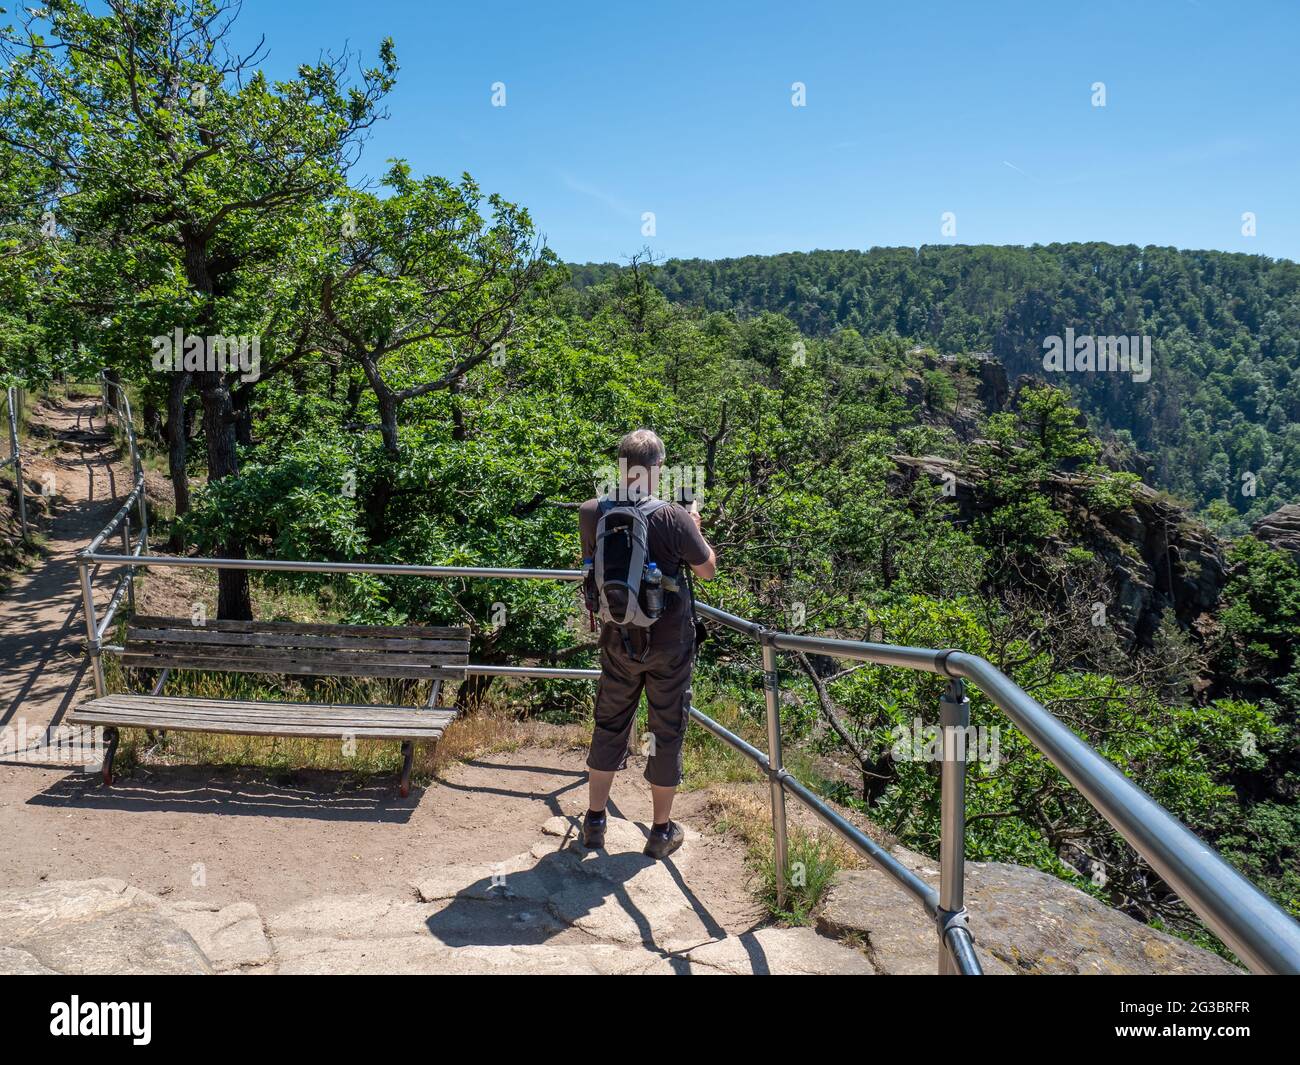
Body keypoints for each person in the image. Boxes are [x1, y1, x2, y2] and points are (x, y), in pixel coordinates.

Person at [578, 429, 716, 859]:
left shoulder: (591, 510)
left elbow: (592, 565)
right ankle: (660, 831)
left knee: (610, 722)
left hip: (617, 637)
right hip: (668, 643)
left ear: (620, 465)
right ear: (657, 468)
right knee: (666, 729)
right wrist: (692, 527)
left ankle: (595, 820)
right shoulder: (673, 516)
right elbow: (708, 569)